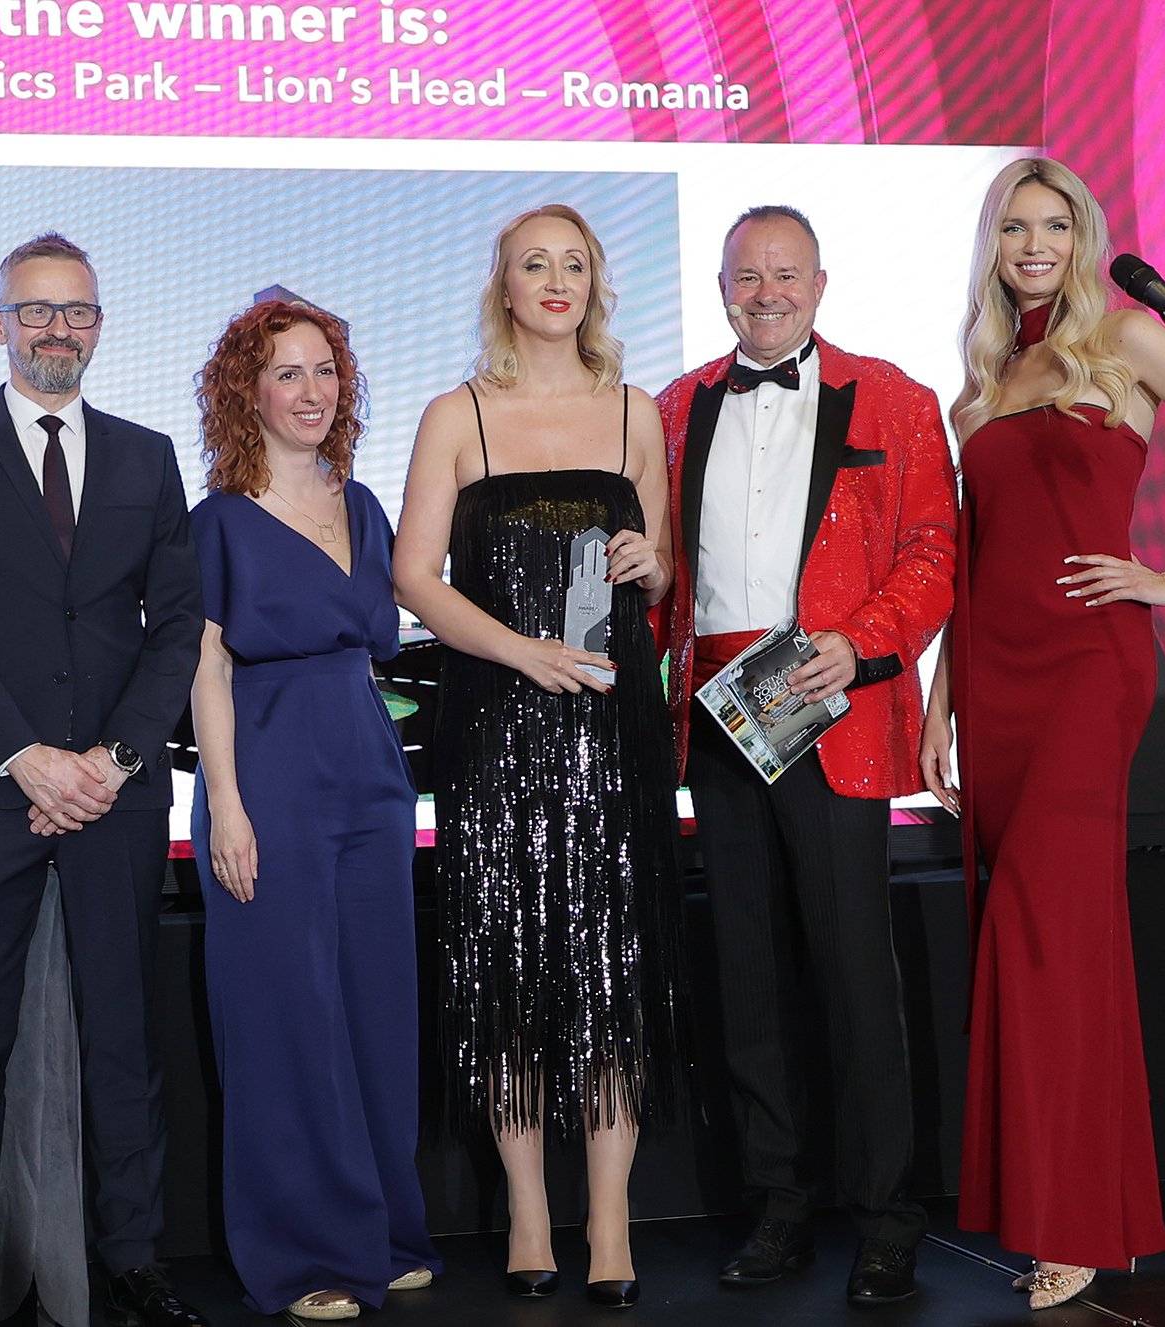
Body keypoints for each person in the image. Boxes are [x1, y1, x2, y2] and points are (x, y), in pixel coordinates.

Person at [919, 157, 1165, 1310]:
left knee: (1047, 931)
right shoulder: (980, 384)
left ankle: (1077, 1217)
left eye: (1054, 224)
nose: (1034, 244)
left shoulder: (1128, 339)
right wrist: (940, 702)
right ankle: (1076, 1207)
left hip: (1088, 668)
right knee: (1044, 938)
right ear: (992, 246)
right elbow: (974, 557)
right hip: (994, 680)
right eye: (1013, 227)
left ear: (1083, 235)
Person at [0, 233, 206, 1327]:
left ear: (99, 326)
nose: (56, 328)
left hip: (117, 793)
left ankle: (133, 1260)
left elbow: (177, 626)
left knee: (124, 1038)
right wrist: (26, 756)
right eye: (35, 310)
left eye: (76, 311)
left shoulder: (148, 457)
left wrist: (114, 761)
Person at [652, 206, 957, 1306]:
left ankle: (885, 1219)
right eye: (748, 276)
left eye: (786, 275)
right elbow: (658, 570)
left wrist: (861, 642)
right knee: (748, 979)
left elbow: (933, 550)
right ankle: (777, 1208)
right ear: (722, 289)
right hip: (717, 713)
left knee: (855, 978)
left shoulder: (897, 398)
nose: (767, 293)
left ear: (820, 285)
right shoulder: (674, 405)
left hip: (831, 707)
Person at [392, 203, 683, 1308]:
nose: (556, 280)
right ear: (504, 286)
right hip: (497, 727)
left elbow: (661, 572)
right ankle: (525, 1210)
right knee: (505, 961)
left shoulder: (636, 413)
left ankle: (608, 1217)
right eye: (534, 264)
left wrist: (651, 564)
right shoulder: (455, 413)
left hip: (612, 732)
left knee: (613, 966)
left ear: (595, 284)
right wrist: (523, 653)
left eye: (574, 264)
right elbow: (413, 575)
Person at [187, 300, 442, 1322]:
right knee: (285, 1017)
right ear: (246, 392)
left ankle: (383, 1234)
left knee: (376, 1007)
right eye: (286, 372)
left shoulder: (366, 505)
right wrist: (228, 807)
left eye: (325, 370)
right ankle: (304, 1257)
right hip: (269, 775)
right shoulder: (215, 519)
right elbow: (205, 669)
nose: (310, 391)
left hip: (369, 774)